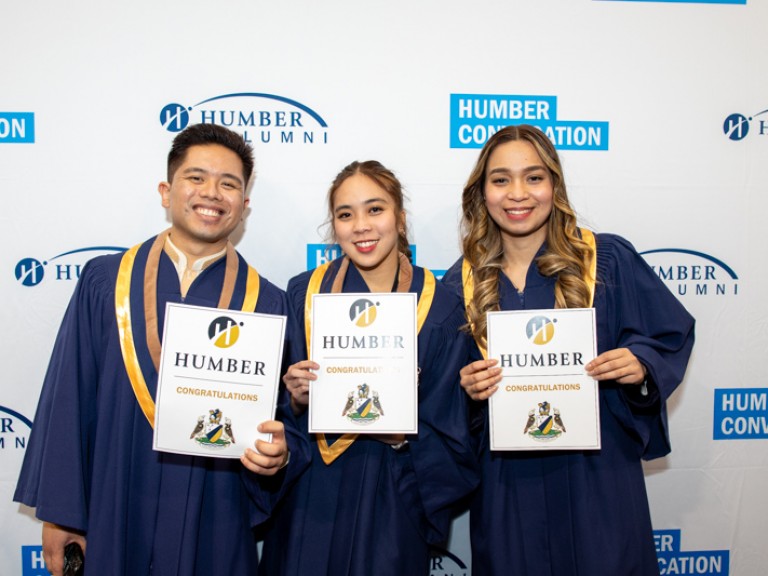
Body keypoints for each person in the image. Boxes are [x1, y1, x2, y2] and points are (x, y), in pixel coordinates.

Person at [14, 123, 308, 576]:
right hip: (116, 506)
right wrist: (61, 514)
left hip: (216, 516)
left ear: (244, 205)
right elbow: (71, 398)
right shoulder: (104, 282)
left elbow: (282, 421)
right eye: (196, 177)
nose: (212, 192)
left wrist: (280, 453)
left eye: (229, 183)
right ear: (166, 191)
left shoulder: (266, 303)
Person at [442, 124, 695, 575]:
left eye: (534, 177)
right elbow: (441, 396)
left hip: (597, 479)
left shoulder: (606, 259)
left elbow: (667, 336)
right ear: (482, 191)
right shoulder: (460, 281)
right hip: (507, 490)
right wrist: (467, 390)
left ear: (554, 184)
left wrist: (640, 363)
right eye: (500, 179)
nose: (518, 193)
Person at [257, 160, 479, 575]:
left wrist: (403, 438)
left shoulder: (443, 308)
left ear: (400, 217)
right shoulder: (303, 293)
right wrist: (295, 397)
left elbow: (455, 428)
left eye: (375, 209)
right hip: (310, 499)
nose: (361, 225)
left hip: (394, 500)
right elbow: (270, 417)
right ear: (334, 226)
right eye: (345, 214)